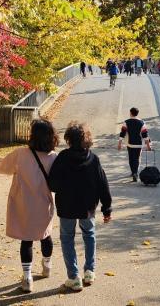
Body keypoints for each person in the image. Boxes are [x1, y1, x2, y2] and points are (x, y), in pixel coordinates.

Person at [0, 119, 59, 293]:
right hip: (44, 204)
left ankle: (27, 277)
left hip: (23, 203)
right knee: (46, 235)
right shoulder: (54, 157)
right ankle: (47, 266)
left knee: (27, 240)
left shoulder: (20, 154)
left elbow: (1, 169)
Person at [48, 121, 112, 292]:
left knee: (67, 238)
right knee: (89, 235)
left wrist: (64, 186)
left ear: (68, 139)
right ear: (87, 139)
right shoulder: (93, 159)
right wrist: (107, 209)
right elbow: (103, 185)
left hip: (67, 206)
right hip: (88, 207)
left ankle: (74, 277)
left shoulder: (62, 158)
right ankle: (90, 271)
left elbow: (52, 184)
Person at [118, 107, 151, 182]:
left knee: (131, 158)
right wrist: (148, 146)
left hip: (130, 144)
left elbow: (122, 133)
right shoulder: (142, 122)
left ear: (130, 113)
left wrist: (119, 143)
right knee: (137, 158)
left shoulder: (126, 122)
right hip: (139, 144)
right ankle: (135, 173)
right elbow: (145, 135)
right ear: (137, 113)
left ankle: (133, 172)